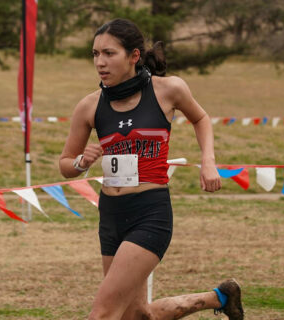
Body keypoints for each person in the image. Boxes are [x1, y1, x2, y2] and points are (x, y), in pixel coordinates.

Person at [59, 18, 244, 320]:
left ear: (134, 56)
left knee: (104, 314)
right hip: (111, 215)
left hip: (150, 213)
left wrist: (208, 161)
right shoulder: (89, 106)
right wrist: (80, 162)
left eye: (109, 53)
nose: (100, 62)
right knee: (136, 316)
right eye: (95, 54)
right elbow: (65, 164)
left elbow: (201, 118)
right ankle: (219, 297)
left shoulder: (168, 90)